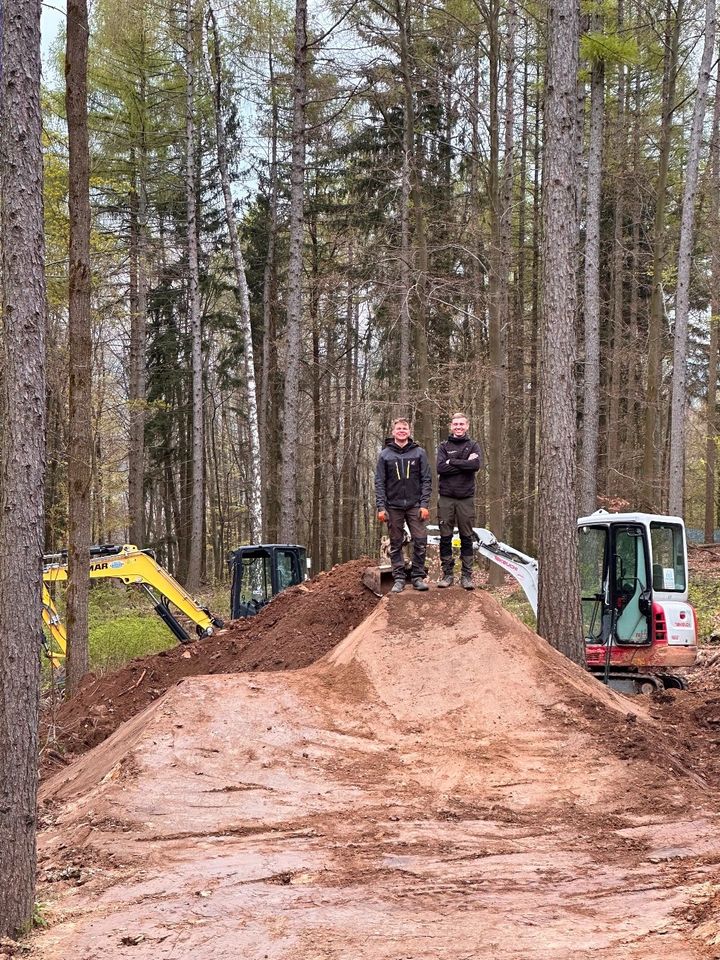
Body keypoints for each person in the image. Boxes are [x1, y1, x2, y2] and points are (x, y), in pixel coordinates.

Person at [375, 418, 432, 593]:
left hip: (415, 504)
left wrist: (424, 504)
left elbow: (426, 479)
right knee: (396, 543)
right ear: (393, 432)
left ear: (409, 431)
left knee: (421, 540)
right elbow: (379, 482)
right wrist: (381, 507)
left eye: (404, 428)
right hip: (393, 506)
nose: (401, 431)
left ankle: (417, 576)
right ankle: (399, 578)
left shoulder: (419, 453)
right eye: (398, 428)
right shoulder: (385, 455)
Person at [436, 412, 483, 589]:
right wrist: (464, 463)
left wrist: (452, 462)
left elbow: (475, 465)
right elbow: (441, 467)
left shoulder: (473, 445)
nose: (458, 427)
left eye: (461, 424)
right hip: (447, 497)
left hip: (466, 498)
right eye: (455, 424)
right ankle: (447, 574)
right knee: (445, 536)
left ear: (467, 425)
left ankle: (466, 576)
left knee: (466, 537)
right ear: (451, 426)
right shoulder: (443, 446)